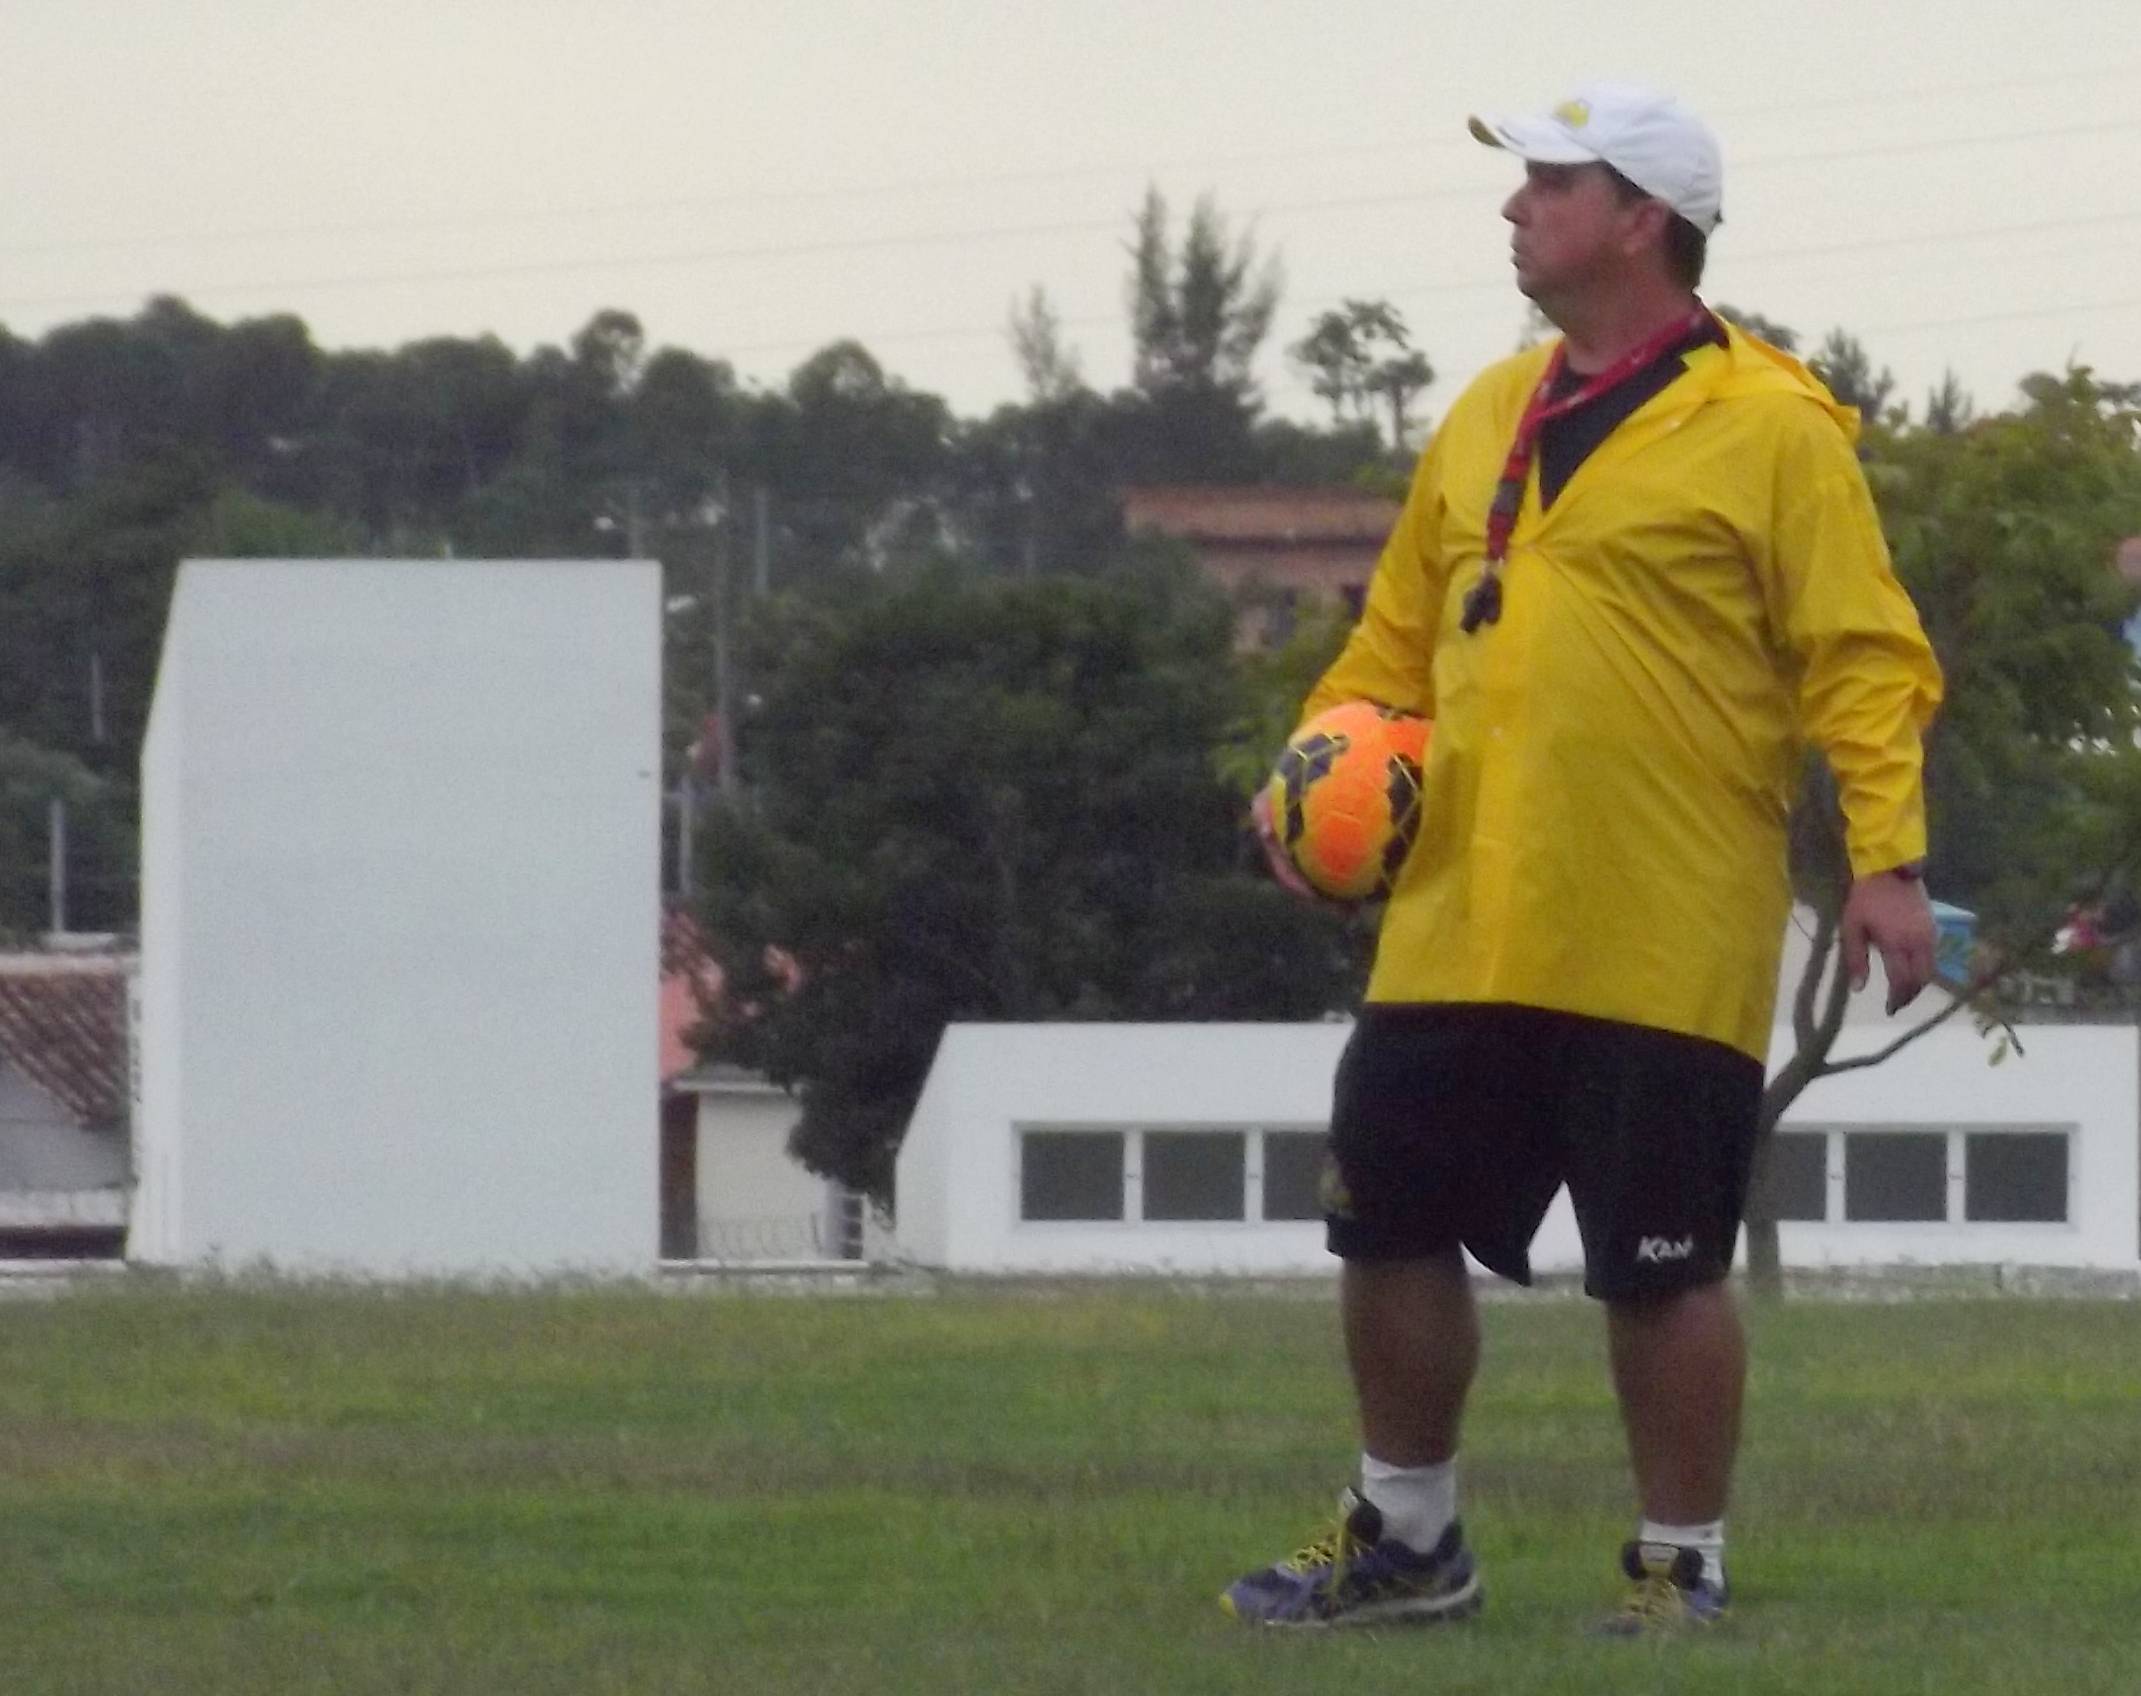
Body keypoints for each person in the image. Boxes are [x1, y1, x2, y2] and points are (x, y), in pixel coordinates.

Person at [1222, 82, 1943, 1636]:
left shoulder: (1770, 425)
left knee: (1658, 1268)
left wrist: (1886, 860)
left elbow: (1863, 658)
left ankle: (1678, 1560)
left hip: (1657, 930)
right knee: (1384, 1220)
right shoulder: (1487, 409)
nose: (1512, 207)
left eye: (1549, 184)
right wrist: (1308, 776)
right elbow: (1389, 644)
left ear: (1640, 219)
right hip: (1456, 924)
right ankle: (1406, 1540)